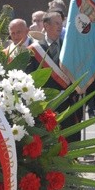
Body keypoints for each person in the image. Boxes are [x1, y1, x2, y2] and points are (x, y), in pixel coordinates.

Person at [26, 11, 81, 142]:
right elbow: (30, 79)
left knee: (69, 142)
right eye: (56, 23)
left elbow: (77, 72)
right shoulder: (34, 50)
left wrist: (70, 91)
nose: (59, 27)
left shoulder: (69, 47)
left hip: (68, 104)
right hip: (46, 106)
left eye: (61, 24)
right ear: (46, 25)